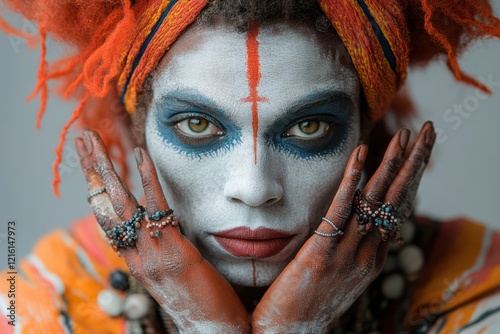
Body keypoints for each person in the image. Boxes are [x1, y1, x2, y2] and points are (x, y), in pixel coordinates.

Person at [1, 1, 500, 333]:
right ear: (137, 131)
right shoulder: (46, 297)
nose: (256, 187)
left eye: (310, 128)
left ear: (365, 131)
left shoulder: (477, 281)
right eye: (198, 125)